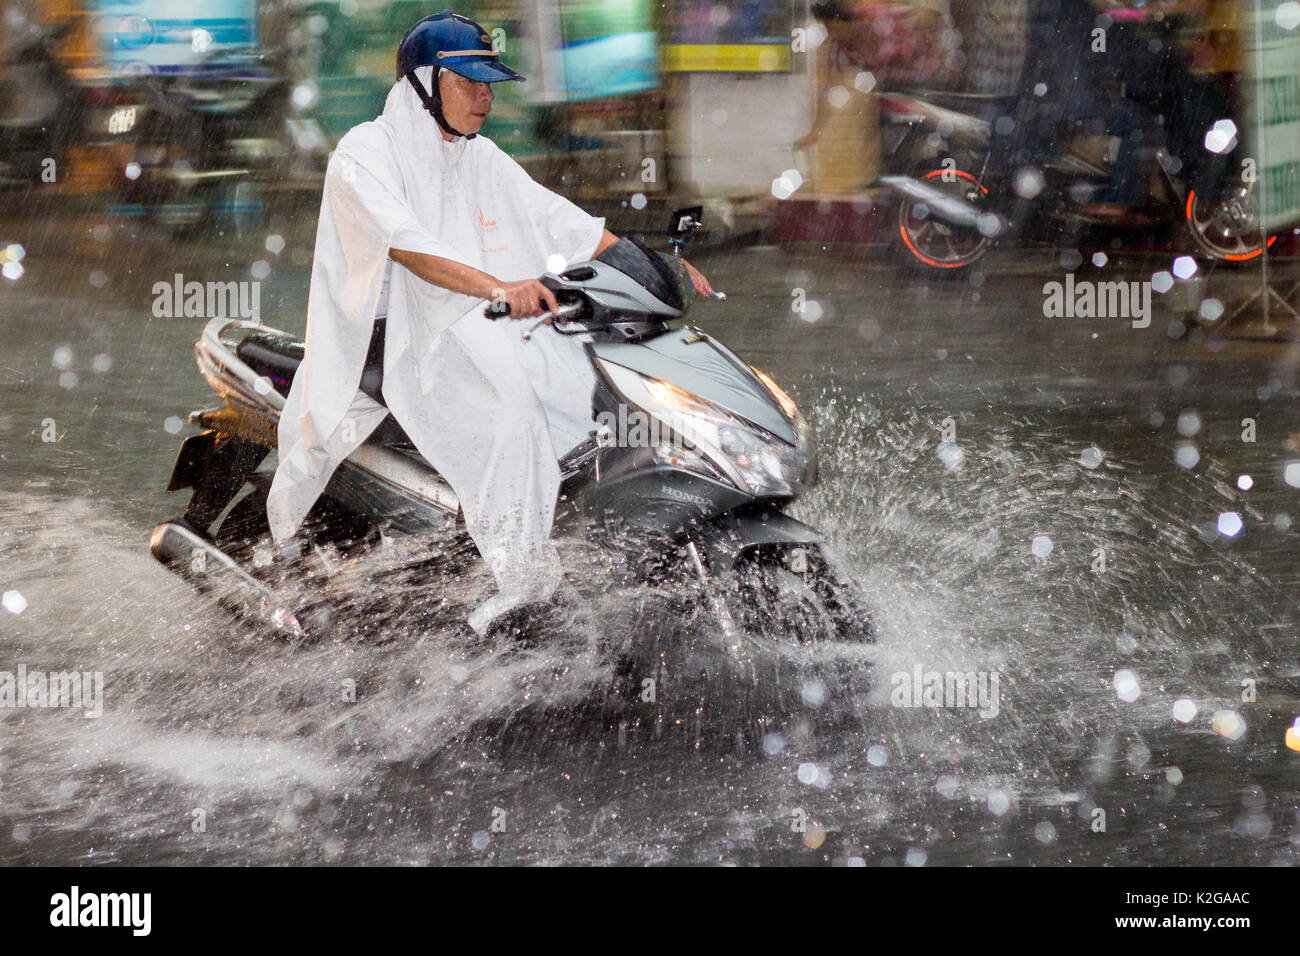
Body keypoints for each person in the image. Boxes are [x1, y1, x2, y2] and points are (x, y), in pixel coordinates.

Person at [266, 10, 712, 636]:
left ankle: (552, 549)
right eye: (470, 82)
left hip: (471, 324)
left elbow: (558, 219)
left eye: (490, 83)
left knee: (580, 395)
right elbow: (407, 243)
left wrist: (643, 265)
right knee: (514, 421)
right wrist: (498, 285)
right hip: (389, 345)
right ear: (423, 83)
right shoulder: (364, 154)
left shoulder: (477, 155)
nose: (486, 96)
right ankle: (519, 587)